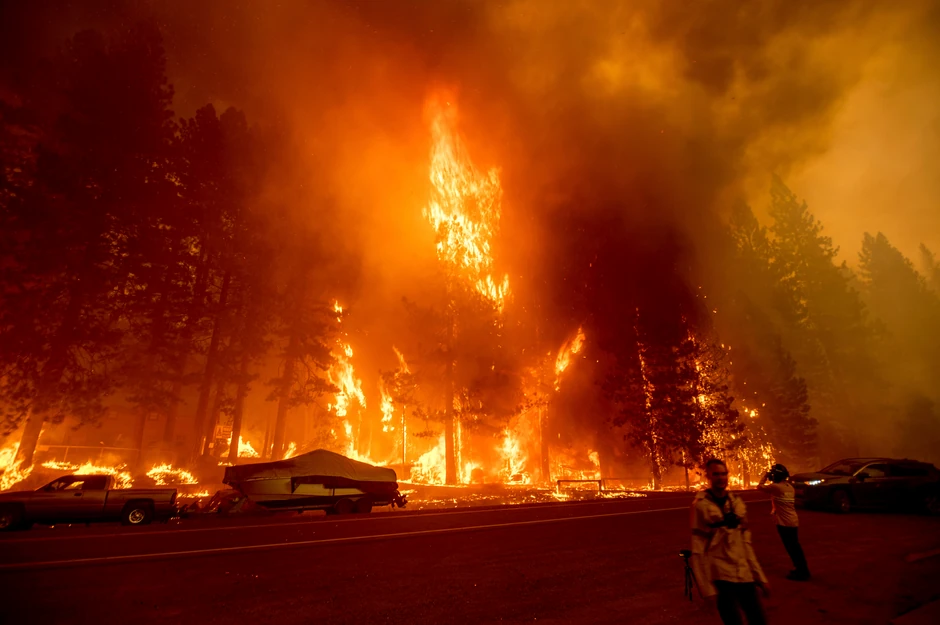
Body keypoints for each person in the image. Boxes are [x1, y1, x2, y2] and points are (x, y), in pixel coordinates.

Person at [691, 458, 770, 625]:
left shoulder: (737, 502)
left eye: (724, 473)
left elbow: (746, 544)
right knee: (733, 620)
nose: (721, 478)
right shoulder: (701, 506)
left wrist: (759, 576)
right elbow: (698, 549)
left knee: (758, 619)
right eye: (716, 474)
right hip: (721, 574)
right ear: (708, 477)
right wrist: (707, 590)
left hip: (743, 572)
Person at [759, 463, 811, 581]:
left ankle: (801, 572)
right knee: (795, 547)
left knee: (792, 548)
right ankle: (802, 569)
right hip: (793, 521)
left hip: (784, 524)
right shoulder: (789, 487)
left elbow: (759, 487)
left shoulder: (776, 487)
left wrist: (765, 476)